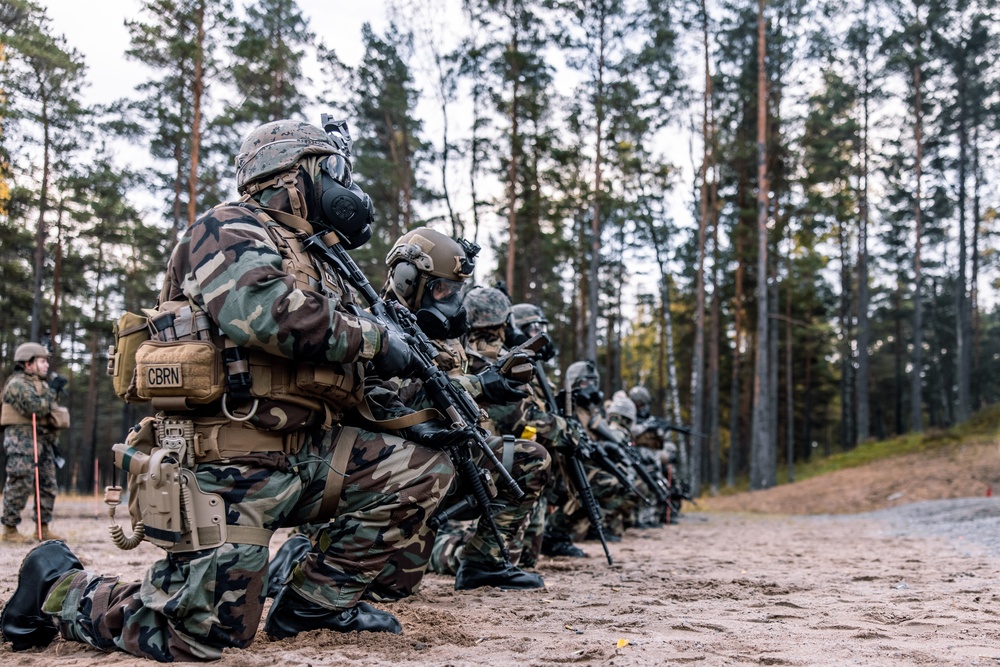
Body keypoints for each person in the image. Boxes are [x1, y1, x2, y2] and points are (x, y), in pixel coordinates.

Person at [0, 118, 466, 661]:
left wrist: (406, 399)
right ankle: (57, 588)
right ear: (291, 174)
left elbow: (344, 372)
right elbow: (262, 313)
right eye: (331, 169)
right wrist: (373, 340)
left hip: (308, 455)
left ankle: (316, 605)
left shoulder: (321, 260)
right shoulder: (227, 228)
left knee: (422, 467)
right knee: (199, 636)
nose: (343, 185)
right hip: (228, 462)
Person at [377, 234, 550, 592]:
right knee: (394, 588)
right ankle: (307, 550)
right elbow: (391, 400)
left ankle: (483, 564)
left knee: (529, 459)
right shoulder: (376, 327)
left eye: (457, 291)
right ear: (408, 281)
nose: (452, 301)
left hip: (448, 455)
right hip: (392, 467)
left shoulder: (444, 333)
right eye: (442, 290)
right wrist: (480, 386)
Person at [0, 342, 66, 543]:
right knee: (20, 481)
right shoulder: (16, 384)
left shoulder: (41, 385)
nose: (46, 365)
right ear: (28, 364)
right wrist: (53, 391)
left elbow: (50, 410)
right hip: (22, 441)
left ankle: (43, 527)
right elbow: (35, 407)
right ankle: (10, 529)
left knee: (47, 484)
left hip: (43, 440)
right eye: (41, 361)